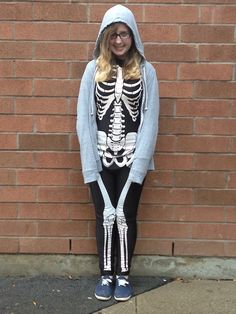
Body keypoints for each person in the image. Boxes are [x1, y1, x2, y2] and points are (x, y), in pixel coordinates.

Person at [76, 4, 159, 302]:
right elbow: (83, 118)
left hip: (131, 156)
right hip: (99, 156)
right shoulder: (92, 69)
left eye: (124, 34)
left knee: (125, 215)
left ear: (133, 35)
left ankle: (123, 275)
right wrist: (90, 162)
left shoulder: (147, 72)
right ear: (105, 37)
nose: (119, 40)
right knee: (104, 216)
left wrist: (138, 166)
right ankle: (105, 274)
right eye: (113, 35)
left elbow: (150, 121)